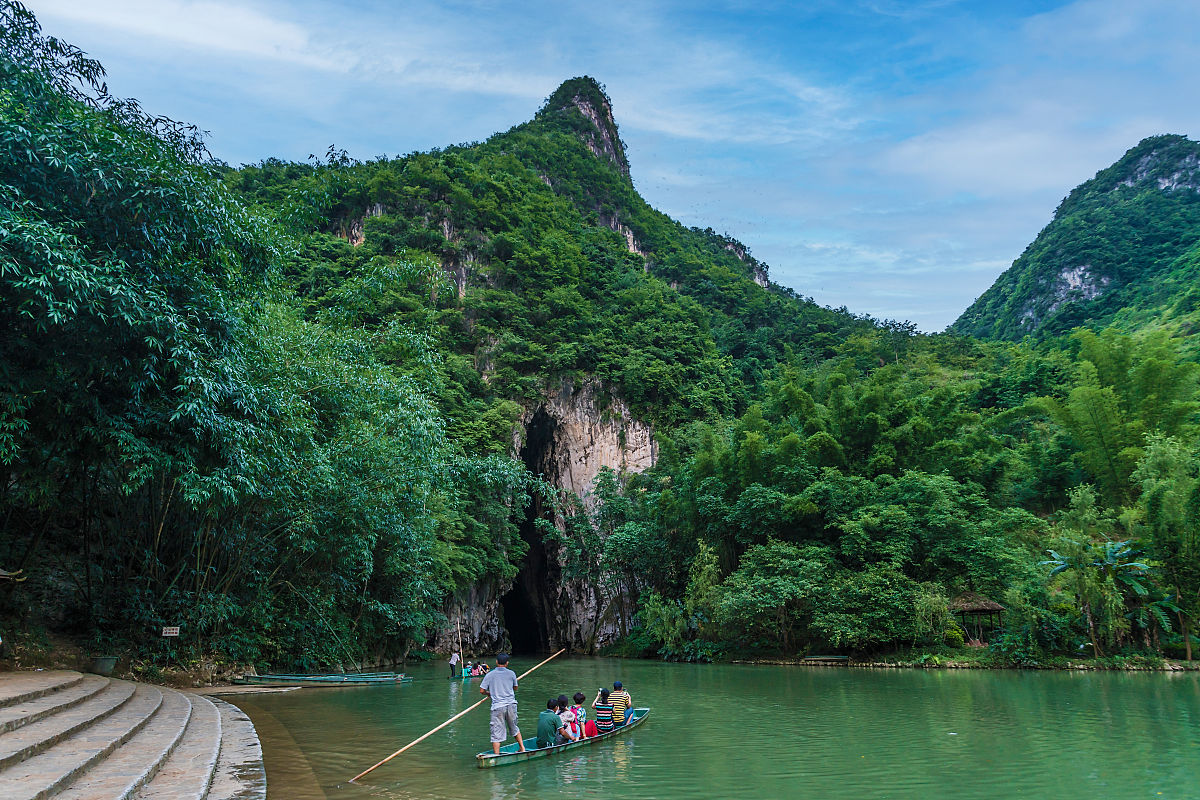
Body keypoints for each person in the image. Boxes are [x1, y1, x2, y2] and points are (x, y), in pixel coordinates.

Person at [479, 654, 525, 755]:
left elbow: (482, 690)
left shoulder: (490, 675)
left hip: (498, 706)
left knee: (496, 731)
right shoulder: (512, 674)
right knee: (514, 727)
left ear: (496, 662)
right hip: (511, 705)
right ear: (507, 663)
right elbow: (515, 688)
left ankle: (496, 755)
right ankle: (522, 748)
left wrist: (489, 693)